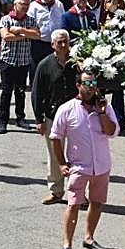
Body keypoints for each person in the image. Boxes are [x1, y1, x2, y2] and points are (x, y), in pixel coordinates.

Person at [50, 70, 119, 249]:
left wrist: (103, 113)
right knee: (73, 204)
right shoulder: (66, 109)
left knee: (97, 203)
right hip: (79, 166)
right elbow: (56, 137)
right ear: (78, 85)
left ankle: (89, 237)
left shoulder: (105, 107)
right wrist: (62, 164)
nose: (90, 88)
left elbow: (112, 132)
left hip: (102, 166)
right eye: (86, 84)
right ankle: (67, 244)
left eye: (93, 84)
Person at [31, 29, 79, 203]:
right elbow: (37, 93)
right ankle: (56, 191)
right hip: (53, 116)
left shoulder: (76, 64)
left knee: (77, 154)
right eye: (60, 42)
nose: (64, 45)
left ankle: (78, 192)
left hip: (76, 117)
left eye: (66, 41)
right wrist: (39, 119)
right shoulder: (44, 65)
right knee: (54, 155)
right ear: (52, 45)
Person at [0, 0, 37, 134]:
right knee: (6, 92)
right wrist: (26, 35)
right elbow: (6, 36)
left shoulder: (31, 20)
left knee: (20, 92)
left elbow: (37, 34)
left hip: (24, 61)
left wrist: (20, 31)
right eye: (22, 4)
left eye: (27, 4)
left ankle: (21, 118)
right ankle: (3, 121)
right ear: (15, 4)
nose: (24, 7)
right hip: (8, 61)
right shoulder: (6, 19)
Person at [26, 0, 65, 77]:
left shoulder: (59, 4)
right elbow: (30, 24)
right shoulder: (34, 6)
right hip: (39, 43)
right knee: (37, 70)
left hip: (55, 44)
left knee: (54, 70)